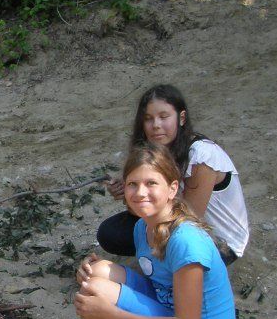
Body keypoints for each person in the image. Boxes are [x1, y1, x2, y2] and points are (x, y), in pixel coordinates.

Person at [74, 144, 235, 319]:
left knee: (99, 297)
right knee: (96, 276)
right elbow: (157, 281)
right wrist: (91, 270)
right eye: (133, 184)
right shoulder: (143, 227)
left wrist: (113, 317)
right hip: (173, 318)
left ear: (172, 188)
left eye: (151, 183)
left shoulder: (186, 241)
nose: (140, 192)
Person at [97, 84, 249, 265]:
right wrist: (129, 193)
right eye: (148, 119)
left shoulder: (202, 156)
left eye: (164, 117)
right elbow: (147, 208)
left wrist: (140, 199)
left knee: (173, 250)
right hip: (170, 218)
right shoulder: (153, 154)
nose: (156, 125)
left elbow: (190, 219)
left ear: (181, 118)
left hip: (215, 239)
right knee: (110, 233)